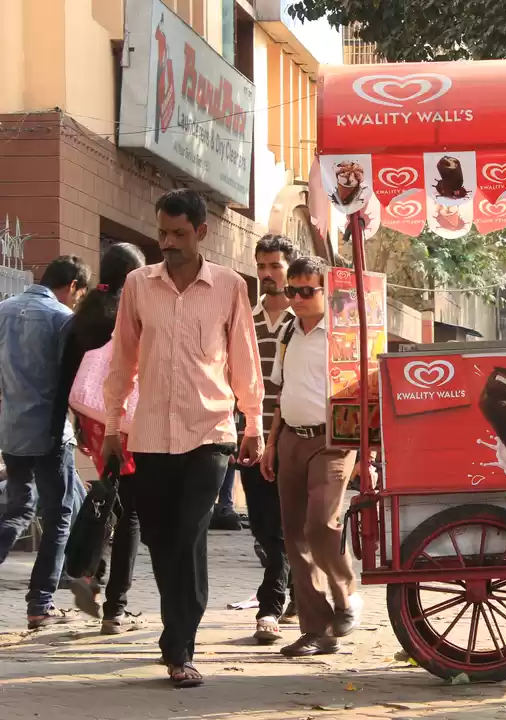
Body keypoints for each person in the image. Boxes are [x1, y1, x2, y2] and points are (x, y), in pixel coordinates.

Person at [102, 189, 265, 688]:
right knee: (159, 539)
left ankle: (180, 647)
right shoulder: (137, 285)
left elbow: (244, 356)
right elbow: (122, 360)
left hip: (209, 433)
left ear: (201, 233)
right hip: (149, 434)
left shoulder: (229, 286)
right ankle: (175, 634)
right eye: (162, 233)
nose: (167, 243)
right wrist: (112, 428)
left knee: (189, 535)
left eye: (177, 233)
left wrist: (253, 422)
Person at [262, 256, 360, 658]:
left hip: (332, 440)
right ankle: (316, 630)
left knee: (321, 524)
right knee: (295, 536)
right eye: (292, 291)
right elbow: (281, 395)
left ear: (326, 292)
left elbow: (365, 390)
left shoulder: (343, 334)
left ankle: (345, 594)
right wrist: (271, 444)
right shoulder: (287, 333)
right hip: (290, 439)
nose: (298, 299)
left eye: (307, 291)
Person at [55, 243, 147, 633]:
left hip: (88, 424)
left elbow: (66, 376)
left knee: (105, 496)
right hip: (123, 422)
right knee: (129, 511)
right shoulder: (128, 318)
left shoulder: (82, 317)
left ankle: (89, 571)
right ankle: (115, 608)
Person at [0, 255, 91, 629]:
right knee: (58, 517)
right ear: (72, 286)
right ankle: (40, 604)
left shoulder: (3, 309)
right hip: (51, 434)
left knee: (20, 506)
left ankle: (55, 595)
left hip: (12, 429)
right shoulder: (62, 319)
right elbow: (72, 381)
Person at [242, 234, 298, 644]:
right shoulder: (246, 318)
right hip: (252, 438)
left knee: (283, 527)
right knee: (263, 529)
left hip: (296, 438)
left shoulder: (305, 319)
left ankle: (270, 605)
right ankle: (290, 586)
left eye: (274, 266)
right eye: (261, 266)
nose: (266, 274)